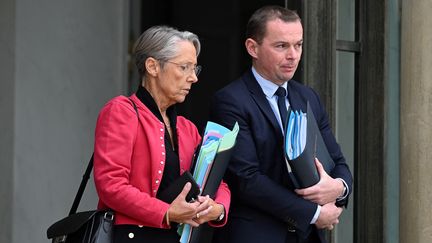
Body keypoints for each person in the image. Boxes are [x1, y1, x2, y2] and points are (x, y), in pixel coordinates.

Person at [210, 6, 352, 243]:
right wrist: (315, 214)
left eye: (298, 45)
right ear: (252, 48)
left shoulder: (308, 97)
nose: (293, 55)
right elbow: (247, 179)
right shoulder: (230, 101)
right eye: (281, 46)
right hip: (257, 235)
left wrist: (339, 188)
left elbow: (338, 161)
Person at [93, 25, 230, 243]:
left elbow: (217, 180)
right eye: (184, 67)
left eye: (195, 68)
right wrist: (166, 212)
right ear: (152, 66)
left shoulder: (187, 128)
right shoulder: (121, 112)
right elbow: (111, 185)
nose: (193, 77)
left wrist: (218, 208)